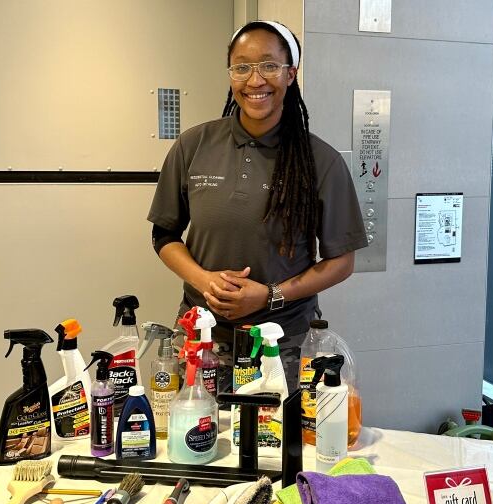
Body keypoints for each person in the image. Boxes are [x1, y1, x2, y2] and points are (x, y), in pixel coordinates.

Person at [148, 20, 367, 392]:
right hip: (200, 336)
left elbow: (342, 261)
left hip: (283, 343)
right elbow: (164, 234)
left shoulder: (320, 161)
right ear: (231, 74)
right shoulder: (194, 145)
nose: (255, 80)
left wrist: (268, 295)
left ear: (290, 73)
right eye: (242, 67)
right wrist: (206, 281)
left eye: (269, 65)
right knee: (195, 436)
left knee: (277, 445)